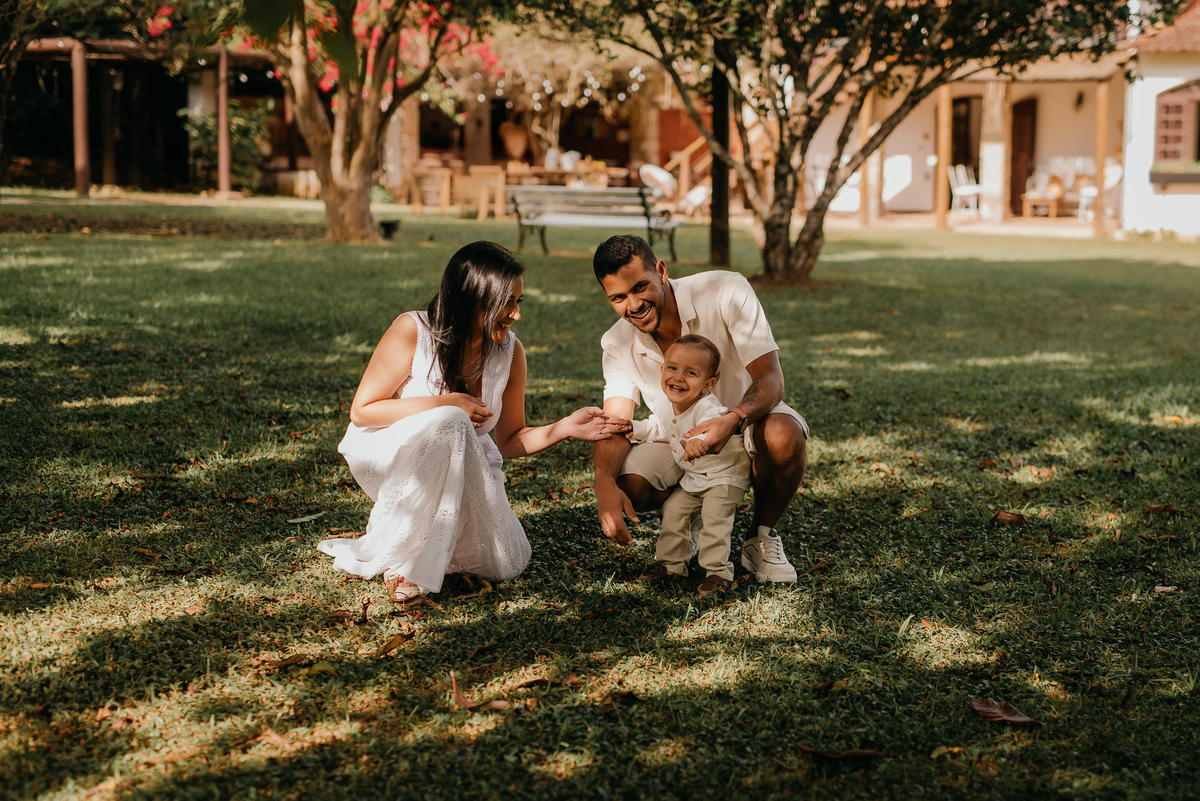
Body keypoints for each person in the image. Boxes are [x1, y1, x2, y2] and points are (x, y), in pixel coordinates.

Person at [319, 241, 627, 600]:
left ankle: (441, 544)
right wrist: (443, 403)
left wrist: (564, 428)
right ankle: (403, 561)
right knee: (450, 419)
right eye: (507, 303)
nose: (516, 315)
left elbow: (510, 439)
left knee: (507, 564)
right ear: (473, 299)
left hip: (467, 463)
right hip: (397, 452)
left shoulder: (511, 351)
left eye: (518, 302)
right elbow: (363, 410)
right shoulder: (413, 330)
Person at [592, 234, 809, 582]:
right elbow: (615, 421)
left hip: (747, 424)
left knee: (784, 434)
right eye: (618, 298)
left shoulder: (725, 290)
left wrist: (732, 419)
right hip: (678, 442)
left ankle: (760, 538)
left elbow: (770, 379)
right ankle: (692, 517)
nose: (632, 305)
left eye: (640, 288)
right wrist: (602, 482)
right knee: (627, 483)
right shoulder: (617, 341)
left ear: (661, 270)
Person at [631, 335, 750, 596]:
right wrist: (633, 428)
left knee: (714, 518)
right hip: (695, 477)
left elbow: (712, 426)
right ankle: (672, 565)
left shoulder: (705, 406)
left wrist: (699, 440)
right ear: (662, 370)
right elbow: (661, 428)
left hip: (723, 477)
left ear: (707, 384)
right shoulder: (667, 402)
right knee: (674, 510)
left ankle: (718, 572)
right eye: (672, 368)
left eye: (691, 373)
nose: (678, 377)